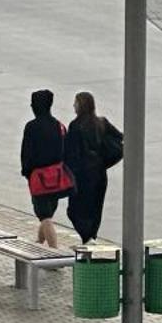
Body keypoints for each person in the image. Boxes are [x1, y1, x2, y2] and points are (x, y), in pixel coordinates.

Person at [62, 91, 125, 246]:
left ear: (80, 106)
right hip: (99, 174)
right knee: (95, 208)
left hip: (82, 175)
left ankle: (87, 238)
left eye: (75, 103)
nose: (73, 106)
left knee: (74, 210)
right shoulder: (101, 123)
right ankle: (91, 238)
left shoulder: (75, 126)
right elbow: (120, 137)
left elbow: (71, 153)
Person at [19, 89, 73, 248]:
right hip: (56, 177)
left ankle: (53, 253)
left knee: (44, 216)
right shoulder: (59, 126)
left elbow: (26, 153)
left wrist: (27, 173)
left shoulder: (31, 127)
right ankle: (39, 242)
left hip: (39, 178)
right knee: (47, 213)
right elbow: (67, 151)